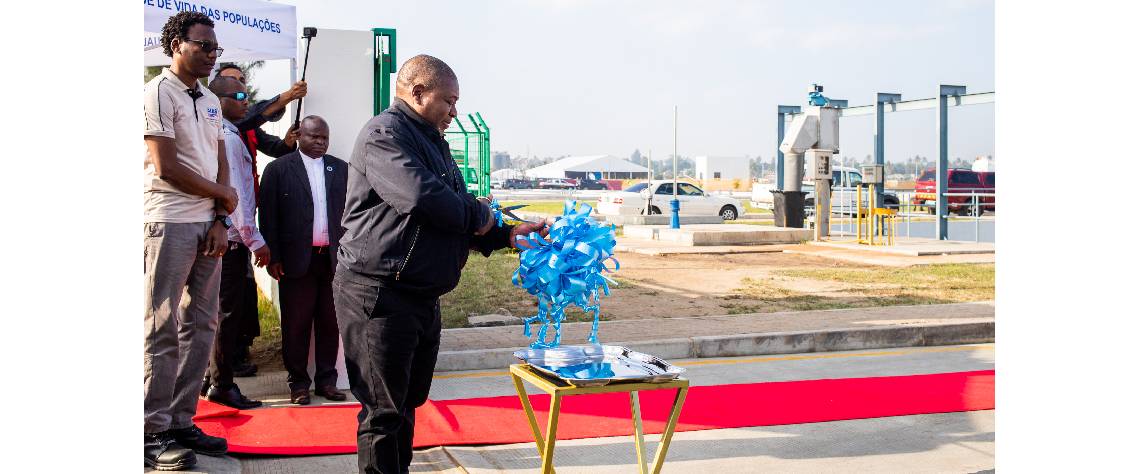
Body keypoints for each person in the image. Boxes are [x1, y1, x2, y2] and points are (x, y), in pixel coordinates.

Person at [333, 54, 550, 474]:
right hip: (379, 292)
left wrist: (505, 235)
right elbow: (422, 198)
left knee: (409, 401)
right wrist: (481, 214)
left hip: (419, 294)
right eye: (449, 101)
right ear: (417, 93)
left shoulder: (431, 140)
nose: (454, 112)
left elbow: (448, 214)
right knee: (383, 410)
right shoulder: (384, 135)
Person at [143, 11, 233, 471]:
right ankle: (150, 431)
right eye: (204, 46)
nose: (212, 55)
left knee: (201, 325)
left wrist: (221, 215)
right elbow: (166, 167)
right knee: (161, 327)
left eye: (216, 48)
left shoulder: (211, 101)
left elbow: (219, 159)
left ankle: (180, 420)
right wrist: (224, 194)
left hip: (207, 222)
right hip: (169, 219)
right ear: (177, 44)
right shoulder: (158, 91)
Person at [216, 63, 306, 376]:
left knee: (240, 295)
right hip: (231, 225)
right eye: (234, 89)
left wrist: (290, 143)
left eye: (243, 85)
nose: (241, 95)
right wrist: (287, 96)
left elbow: (275, 147)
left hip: (242, 224)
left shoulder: (245, 127)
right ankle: (220, 371)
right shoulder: (226, 127)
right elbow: (256, 112)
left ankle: (234, 355)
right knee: (226, 302)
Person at [259, 115, 349, 405]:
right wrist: (273, 255)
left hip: (332, 261)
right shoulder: (278, 169)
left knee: (329, 323)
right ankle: (298, 384)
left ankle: (327, 381)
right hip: (296, 261)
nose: (321, 142)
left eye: (324, 137)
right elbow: (268, 217)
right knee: (296, 325)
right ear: (299, 136)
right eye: (314, 137)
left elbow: (350, 214)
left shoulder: (340, 168)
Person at [199, 75, 267, 410]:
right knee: (226, 317)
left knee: (213, 315)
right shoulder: (226, 135)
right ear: (220, 100)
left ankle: (209, 378)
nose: (245, 99)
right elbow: (236, 197)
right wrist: (257, 242)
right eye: (238, 94)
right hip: (232, 243)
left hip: (224, 241)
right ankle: (222, 385)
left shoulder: (223, 134)